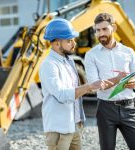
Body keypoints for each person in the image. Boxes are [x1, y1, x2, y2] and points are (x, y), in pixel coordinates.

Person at [39, 18, 110, 150]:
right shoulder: (49, 65)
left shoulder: (69, 61)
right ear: (56, 43)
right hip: (59, 129)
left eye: (73, 39)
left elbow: (75, 90)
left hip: (75, 125)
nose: (74, 43)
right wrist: (88, 86)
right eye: (69, 40)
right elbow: (61, 95)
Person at [84, 13, 135, 150]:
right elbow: (94, 85)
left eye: (104, 29)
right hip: (106, 110)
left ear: (114, 28)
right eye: (97, 30)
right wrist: (118, 79)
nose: (101, 34)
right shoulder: (91, 55)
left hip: (129, 109)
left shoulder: (128, 52)